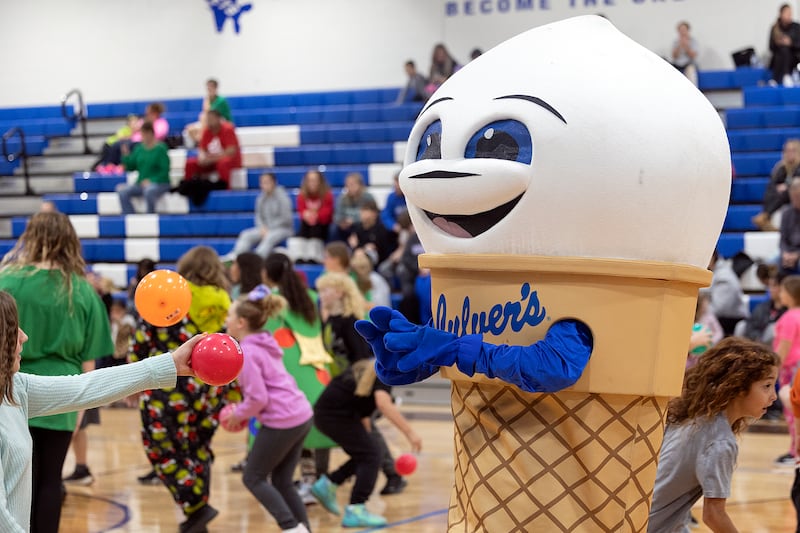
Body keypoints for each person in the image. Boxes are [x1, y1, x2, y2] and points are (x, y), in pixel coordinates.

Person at [0, 290, 205, 533]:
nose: (24, 337)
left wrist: (170, 364)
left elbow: (85, 388)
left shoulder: (13, 389)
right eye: (13, 330)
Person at [0, 212, 114, 533]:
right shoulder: (82, 291)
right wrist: (81, 408)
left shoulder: (7, 280)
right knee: (51, 481)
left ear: (31, 237)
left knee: (14, 484)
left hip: (12, 389)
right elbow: (89, 359)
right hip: (64, 394)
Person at [130, 246, 238, 533]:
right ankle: (196, 518)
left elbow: (140, 343)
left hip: (168, 386)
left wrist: (133, 380)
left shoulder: (170, 298)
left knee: (162, 451)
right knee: (197, 450)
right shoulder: (225, 302)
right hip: (211, 389)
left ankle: (194, 506)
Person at [647, 338, 779, 532]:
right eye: (766, 386)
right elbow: (713, 515)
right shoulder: (719, 442)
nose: (773, 396)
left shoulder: (691, 417)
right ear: (738, 387)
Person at [221, 285, 314, 533]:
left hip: (282, 419)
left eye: (229, 316)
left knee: (253, 477)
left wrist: (236, 414)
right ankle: (303, 529)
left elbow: (258, 399)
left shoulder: (247, 353)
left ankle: (291, 528)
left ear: (241, 322)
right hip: (300, 414)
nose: (225, 321)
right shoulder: (264, 342)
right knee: (283, 481)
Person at [310, 358, 423, 528]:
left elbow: (363, 411)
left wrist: (369, 440)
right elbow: (383, 404)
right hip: (334, 416)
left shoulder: (372, 367)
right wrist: (410, 433)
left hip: (330, 414)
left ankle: (329, 484)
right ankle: (356, 509)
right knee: (371, 455)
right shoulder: (385, 370)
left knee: (368, 453)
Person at [263, 252, 337, 501]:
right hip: (318, 367)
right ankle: (320, 480)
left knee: (301, 426)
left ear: (267, 274)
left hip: (291, 370)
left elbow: (269, 339)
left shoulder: (272, 302)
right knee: (320, 425)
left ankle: (308, 481)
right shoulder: (312, 297)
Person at [222, 173, 294, 261]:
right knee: (246, 235)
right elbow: (258, 216)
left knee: (270, 237)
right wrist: (262, 227)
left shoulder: (283, 197)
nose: (264, 185)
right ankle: (237, 257)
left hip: (282, 229)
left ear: (274, 182)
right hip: (264, 228)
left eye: (267, 182)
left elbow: (286, 218)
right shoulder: (261, 198)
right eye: (262, 182)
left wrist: (269, 228)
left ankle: (257, 260)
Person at [178, 109, 242, 206]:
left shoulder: (228, 129)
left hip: (229, 160)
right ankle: (188, 188)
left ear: (218, 119)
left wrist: (212, 159)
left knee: (223, 164)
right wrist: (202, 158)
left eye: (211, 119)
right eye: (207, 119)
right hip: (211, 161)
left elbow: (231, 151)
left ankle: (225, 191)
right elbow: (202, 149)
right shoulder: (206, 131)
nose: (209, 121)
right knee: (190, 163)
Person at [772, 275, 800, 465]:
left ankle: (794, 451)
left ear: (790, 294)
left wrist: (774, 366)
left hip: (791, 368)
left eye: (782, 290)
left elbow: (785, 344)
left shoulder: (790, 317)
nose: (780, 294)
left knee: (792, 411)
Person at [94, 103, 169, 173]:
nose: (147, 114)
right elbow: (133, 130)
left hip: (144, 143)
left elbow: (157, 135)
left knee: (128, 146)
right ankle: (108, 165)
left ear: (155, 113)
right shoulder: (143, 121)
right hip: (132, 140)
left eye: (149, 112)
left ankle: (121, 166)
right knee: (116, 144)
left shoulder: (161, 123)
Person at [117, 122, 171, 214]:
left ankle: (150, 216)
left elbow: (165, 171)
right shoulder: (139, 149)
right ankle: (130, 217)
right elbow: (131, 166)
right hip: (141, 183)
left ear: (150, 133)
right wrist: (125, 156)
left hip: (160, 183)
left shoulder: (160, 148)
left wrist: (152, 180)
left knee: (149, 191)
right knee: (122, 191)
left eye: (145, 134)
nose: (143, 137)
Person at [753, 139, 800, 231]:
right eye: (787, 150)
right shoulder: (779, 169)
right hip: (779, 207)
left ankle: (766, 215)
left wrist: (787, 187)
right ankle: (767, 214)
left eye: (793, 150)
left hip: (792, 206)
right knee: (773, 195)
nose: (789, 153)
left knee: (782, 214)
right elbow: (771, 188)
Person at [294, 169, 334, 264]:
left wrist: (316, 216)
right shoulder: (302, 195)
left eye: (315, 180)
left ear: (320, 182)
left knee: (316, 226)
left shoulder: (327, 195)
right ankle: (301, 255)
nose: (312, 183)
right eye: (310, 180)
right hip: (307, 225)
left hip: (323, 225)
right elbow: (301, 211)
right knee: (304, 226)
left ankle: (315, 255)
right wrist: (307, 215)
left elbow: (327, 214)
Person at [183, 78, 234, 148]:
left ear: (216, 88)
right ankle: (201, 142)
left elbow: (210, 112)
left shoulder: (221, 100)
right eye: (208, 87)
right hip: (209, 122)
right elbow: (205, 111)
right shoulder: (207, 99)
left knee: (204, 117)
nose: (209, 89)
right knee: (189, 129)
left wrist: (208, 100)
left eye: (211, 87)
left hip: (222, 121)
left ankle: (203, 142)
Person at [347, 199, 398, 266]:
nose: (363, 214)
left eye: (366, 211)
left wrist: (362, 248)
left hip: (379, 260)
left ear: (375, 214)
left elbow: (380, 248)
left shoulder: (381, 229)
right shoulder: (357, 227)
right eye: (362, 211)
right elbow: (353, 243)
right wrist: (360, 247)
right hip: (359, 254)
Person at [708, 249, 748, 336]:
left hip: (730, 322)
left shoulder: (724, 277)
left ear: (712, 257)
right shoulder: (713, 272)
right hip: (721, 319)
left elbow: (719, 308)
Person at [331, 172, 376, 243]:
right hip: (346, 227)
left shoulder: (368, 197)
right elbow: (337, 216)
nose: (350, 187)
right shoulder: (342, 198)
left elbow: (372, 215)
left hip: (362, 225)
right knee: (333, 229)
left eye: (352, 184)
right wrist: (343, 222)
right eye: (347, 185)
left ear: (360, 185)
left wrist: (353, 220)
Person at [769, 3, 800, 87]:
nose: (790, 15)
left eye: (790, 13)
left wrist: (791, 43)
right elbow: (771, 47)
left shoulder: (796, 27)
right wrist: (778, 43)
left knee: (785, 49)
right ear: (781, 14)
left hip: (794, 57)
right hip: (779, 57)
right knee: (783, 49)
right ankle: (785, 76)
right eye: (787, 13)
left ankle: (777, 78)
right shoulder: (775, 28)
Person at [781, 178, 800, 275]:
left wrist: (797, 255)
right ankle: (774, 290)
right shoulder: (786, 212)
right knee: (771, 263)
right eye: (794, 197)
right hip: (789, 251)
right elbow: (783, 239)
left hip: (798, 253)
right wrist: (785, 253)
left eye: (798, 197)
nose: (795, 200)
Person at [670, 21, 698, 86]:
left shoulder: (693, 41)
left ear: (688, 30)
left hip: (689, 64)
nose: (682, 32)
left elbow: (693, 56)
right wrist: (679, 46)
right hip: (677, 64)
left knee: (691, 70)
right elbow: (674, 56)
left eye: (684, 30)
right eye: (680, 30)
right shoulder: (675, 42)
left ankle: (692, 91)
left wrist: (686, 47)